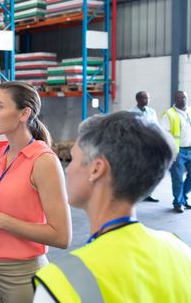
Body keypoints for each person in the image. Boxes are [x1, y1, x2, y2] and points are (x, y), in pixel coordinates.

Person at [33, 111, 191, 302]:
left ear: (96, 169)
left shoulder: (61, 281)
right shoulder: (180, 251)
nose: (68, 169)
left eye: (73, 159)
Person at [0, 81, 72, 303]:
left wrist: (1, 220)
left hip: (24, 275)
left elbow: (62, 236)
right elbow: (1, 205)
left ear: (24, 113)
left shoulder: (43, 161)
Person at [161, 90, 191, 213]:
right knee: (178, 178)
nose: (183, 100)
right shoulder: (169, 114)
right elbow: (164, 135)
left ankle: (182, 198)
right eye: (180, 98)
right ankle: (178, 203)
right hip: (178, 152)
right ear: (175, 100)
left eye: (185, 97)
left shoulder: (190, 110)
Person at [130, 90, 160, 202]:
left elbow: (156, 126)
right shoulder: (131, 113)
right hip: (137, 145)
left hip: (150, 144)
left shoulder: (152, 112)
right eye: (145, 98)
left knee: (150, 170)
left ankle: (148, 193)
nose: (147, 100)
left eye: (148, 98)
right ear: (138, 99)